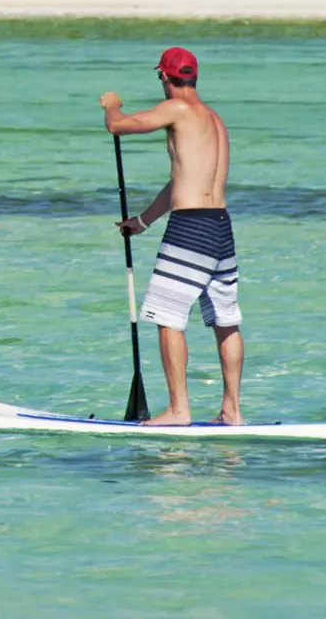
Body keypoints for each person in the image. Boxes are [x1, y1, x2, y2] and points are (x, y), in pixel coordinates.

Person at [99, 46, 243, 426]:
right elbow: (180, 180)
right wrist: (143, 221)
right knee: (225, 320)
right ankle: (232, 410)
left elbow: (119, 125)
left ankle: (179, 410)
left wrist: (112, 105)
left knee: (168, 317)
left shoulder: (179, 109)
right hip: (220, 227)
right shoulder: (215, 119)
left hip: (190, 228)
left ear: (165, 77)